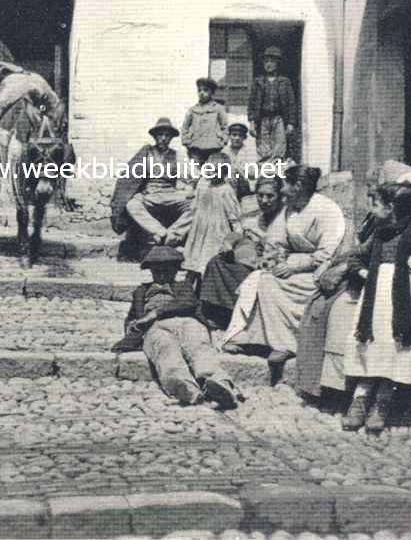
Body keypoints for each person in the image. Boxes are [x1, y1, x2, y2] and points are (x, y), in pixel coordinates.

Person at [341, 183, 411, 433]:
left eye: (375, 204)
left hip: (404, 301)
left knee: (394, 349)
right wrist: (366, 272)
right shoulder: (380, 233)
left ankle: (382, 403)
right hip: (376, 300)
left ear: (390, 207)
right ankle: (360, 400)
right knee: (372, 347)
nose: (371, 209)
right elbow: (355, 257)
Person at [223, 166, 347, 379]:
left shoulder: (326, 209)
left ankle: (286, 345)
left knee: (275, 285)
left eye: (287, 185)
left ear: (298, 186)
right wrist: (272, 259)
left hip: (321, 270)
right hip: (292, 265)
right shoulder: (289, 208)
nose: (283, 191)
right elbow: (276, 240)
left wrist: (294, 266)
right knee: (261, 280)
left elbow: (328, 252)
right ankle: (253, 338)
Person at [110, 246, 244, 409]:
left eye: (167, 271)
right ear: (151, 272)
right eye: (157, 271)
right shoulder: (141, 291)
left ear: (175, 271)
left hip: (187, 322)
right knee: (165, 349)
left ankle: (220, 384)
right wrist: (132, 327)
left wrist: (155, 313)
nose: (162, 276)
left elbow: (189, 302)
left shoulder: (183, 286)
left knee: (197, 346)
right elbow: (132, 317)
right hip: (155, 328)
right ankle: (186, 389)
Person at [198, 174, 286, 330]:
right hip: (251, 262)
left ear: (280, 197)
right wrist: (229, 242)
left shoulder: (286, 219)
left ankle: (243, 318)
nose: (264, 201)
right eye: (260, 195)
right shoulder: (255, 219)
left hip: (273, 266)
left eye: (270, 196)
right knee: (217, 262)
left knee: (252, 277)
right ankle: (222, 314)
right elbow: (239, 234)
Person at [110, 118, 195, 250]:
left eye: (167, 135)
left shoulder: (177, 155)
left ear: (171, 138)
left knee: (196, 206)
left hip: (171, 194)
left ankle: (173, 235)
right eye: (160, 135)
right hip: (150, 194)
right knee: (132, 204)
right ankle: (160, 232)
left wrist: (188, 190)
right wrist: (137, 194)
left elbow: (192, 177)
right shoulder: (146, 154)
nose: (163, 138)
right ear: (155, 136)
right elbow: (130, 176)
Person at [182, 152, 242, 287]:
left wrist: (236, 238)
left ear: (225, 172)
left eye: (218, 171)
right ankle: (186, 294)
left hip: (215, 233)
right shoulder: (202, 185)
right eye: (210, 170)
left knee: (207, 263)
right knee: (193, 264)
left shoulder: (226, 190)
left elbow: (235, 217)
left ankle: (204, 293)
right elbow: (194, 207)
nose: (213, 174)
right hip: (199, 230)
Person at [247, 46, 297, 162]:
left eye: (272, 61)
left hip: (279, 118)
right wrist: (252, 123)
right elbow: (252, 104)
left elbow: (291, 103)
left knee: (279, 148)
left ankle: (276, 175)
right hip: (263, 119)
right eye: (266, 61)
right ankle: (265, 175)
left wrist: (291, 123)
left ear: (278, 64)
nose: (268, 64)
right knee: (264, 149)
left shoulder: (285, 82)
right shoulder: (258, 82)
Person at [181, 77, 228, 167]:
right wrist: (186, 141)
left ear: (212, 92)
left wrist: (223, 141)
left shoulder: (218, 108)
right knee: (196, 171)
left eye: (205, 90)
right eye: (199, 90)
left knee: (212, 170)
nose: (202, 93)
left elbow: (225, 126)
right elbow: (185, 127)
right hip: (195, 147)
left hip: (213, 146)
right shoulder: (193, 110)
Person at [223, 122, 259, 199]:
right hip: (227, 184)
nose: (237, 138)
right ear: (229, 136)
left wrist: (237, 169)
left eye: (240, 135)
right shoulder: (224, 151)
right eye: (234, 135)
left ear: (244, 137)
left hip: (244, 185)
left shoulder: (250, 151)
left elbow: (253, 174)